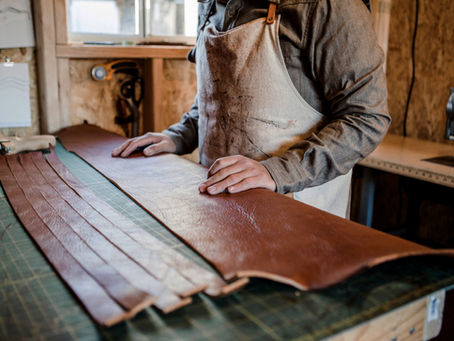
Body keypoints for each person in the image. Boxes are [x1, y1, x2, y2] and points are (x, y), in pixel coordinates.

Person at [112, 0, 390, 218]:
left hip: (295, 215)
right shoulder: (211, 5)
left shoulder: (327, 6)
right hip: (218, 204)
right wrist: (178, 136)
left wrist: (276, 172)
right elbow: (222, 96)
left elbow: (366, 118)